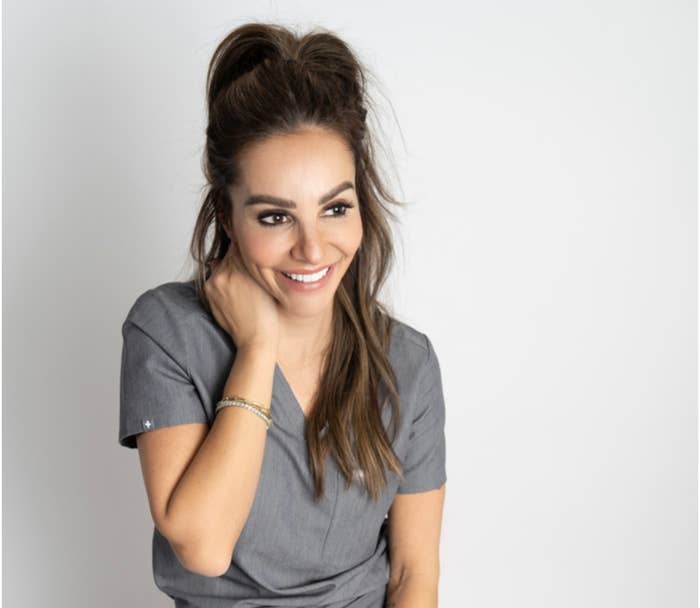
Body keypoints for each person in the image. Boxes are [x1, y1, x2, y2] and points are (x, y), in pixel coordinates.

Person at [118, 21, 447, 608]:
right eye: (275, 216)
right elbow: (204, 546)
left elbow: (412, 575)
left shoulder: (407, 362)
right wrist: (257, 347)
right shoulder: (168, 332)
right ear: (229, 210)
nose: (313, 249)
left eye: (335, 208)